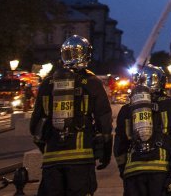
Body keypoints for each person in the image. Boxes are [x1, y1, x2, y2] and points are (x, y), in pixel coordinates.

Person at [30, 35, 113, 196]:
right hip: (81, 157)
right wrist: (105, 150)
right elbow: (104, 119)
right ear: (86, 55)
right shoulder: (92, 82)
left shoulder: (47, 84)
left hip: (52, 158)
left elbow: (35, 125)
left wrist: (46, 148)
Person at [114, 64, 171, 194]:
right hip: (162, 169)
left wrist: (123, 169)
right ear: (161, 82)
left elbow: (120, 143)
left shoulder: (126, 109)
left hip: (133, 171)